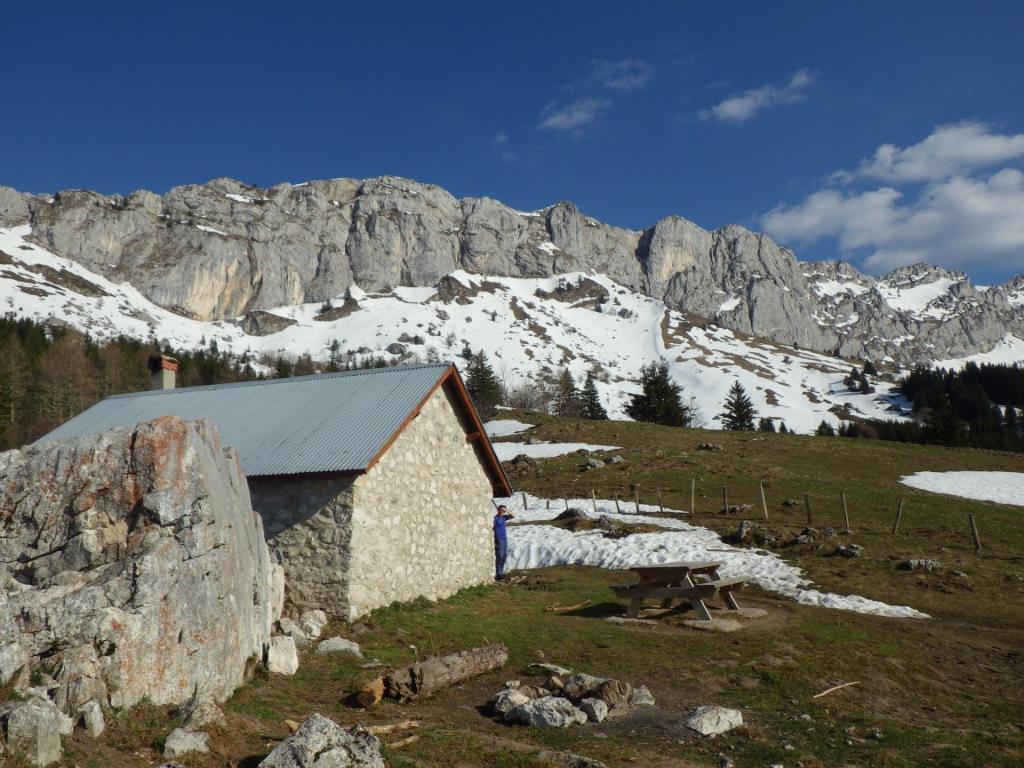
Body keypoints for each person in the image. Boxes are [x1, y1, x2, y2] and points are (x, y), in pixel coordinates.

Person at [493, 504, 515, 580]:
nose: (503, 512)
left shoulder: (504, 518)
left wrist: (507, 510)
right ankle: (499, 573)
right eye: (502, 510)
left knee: (505, 555)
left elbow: (513, 516)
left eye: (504, 511)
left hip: (504, 539)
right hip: (498, 539)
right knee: (500, 555)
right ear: (498, 510)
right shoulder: (495, 518)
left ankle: (501, 572)